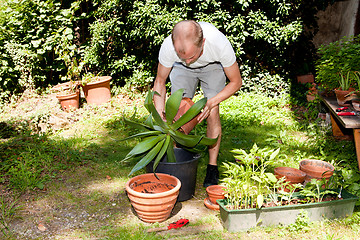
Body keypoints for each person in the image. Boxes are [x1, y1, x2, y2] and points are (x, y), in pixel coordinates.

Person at [153, 20, 242, 187]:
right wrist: (160, 114)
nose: (189, 61)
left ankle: (212, 167)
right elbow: (160, 81)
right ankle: (176, 161)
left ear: (203, 43)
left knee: (212, 111)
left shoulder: (218, 43)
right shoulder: (169, 47)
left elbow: (236, 82)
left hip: (212, 66)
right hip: (180, 69)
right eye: (183, 56)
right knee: (176, 113)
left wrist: (212, 102)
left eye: (192, 56)